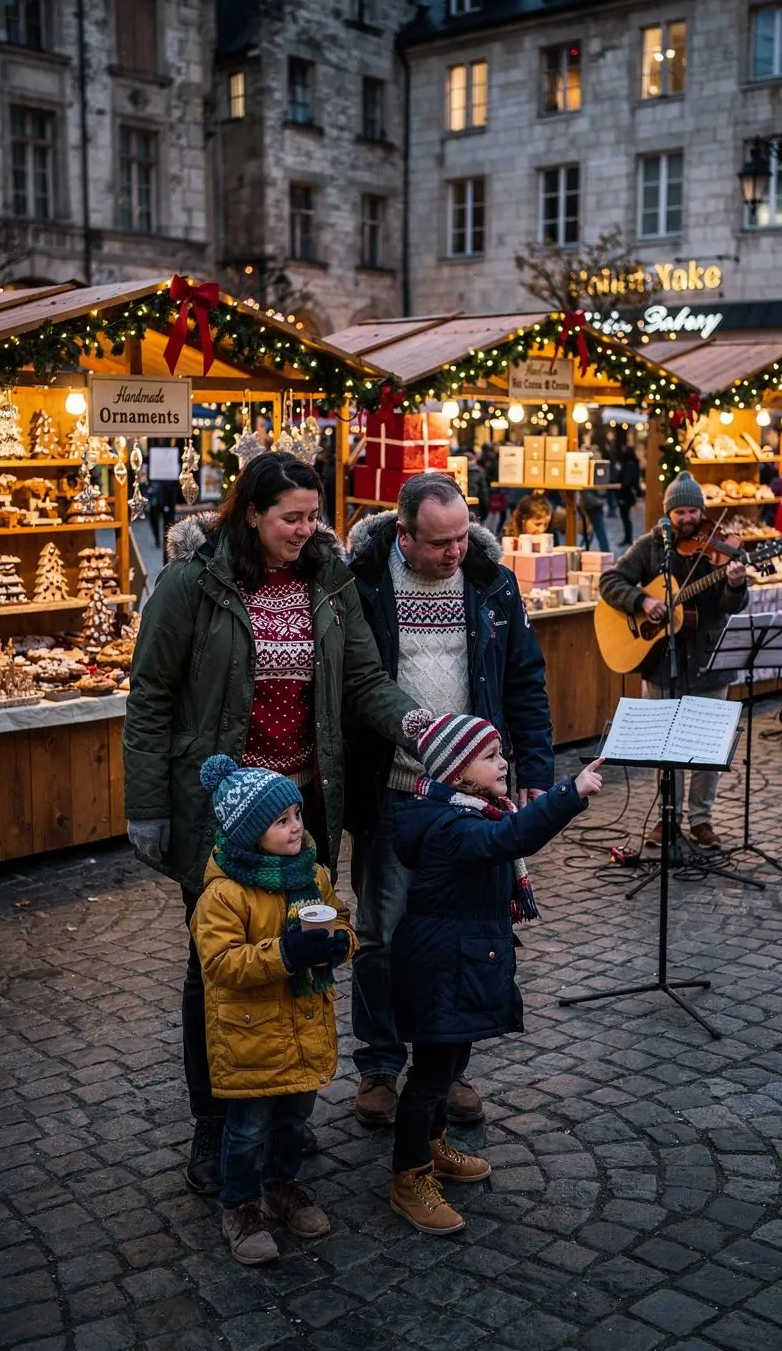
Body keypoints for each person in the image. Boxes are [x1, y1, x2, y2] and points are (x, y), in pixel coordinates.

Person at [123, 452, 421, 1195]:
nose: (306, 528)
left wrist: (421, 726)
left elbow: (362, 679)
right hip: (221, 816)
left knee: (302, 958)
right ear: (250, 514)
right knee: (217, 970)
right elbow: (151, 697)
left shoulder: (329, 580)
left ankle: (283, 1117)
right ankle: (214, 1125)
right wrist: (147, 806)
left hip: (303, 809)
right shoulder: (193, 584)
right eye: (291, 516)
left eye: (313, 514)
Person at [345, 474, 555, 1129]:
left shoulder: (491, 580)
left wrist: (536, 769)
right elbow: (355, 683)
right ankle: (381, 1065)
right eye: (440, 543)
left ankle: (445, 1069)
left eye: (463, 536)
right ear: (403, 533)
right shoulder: (364, 583)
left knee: (457, 931)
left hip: (467, 795)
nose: (455, 552)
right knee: (380, 934)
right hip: (391, 788)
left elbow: (524, 676)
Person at [389, 714, 604, 1234]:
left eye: (500, 752)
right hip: (440, 966)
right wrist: (569, 793)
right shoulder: (452, 827)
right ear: (458, 770)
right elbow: (514, 838)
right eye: (489, 756)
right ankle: (408, 1175)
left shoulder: (473, 811)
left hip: (460, 960)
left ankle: (434, 1146)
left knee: (452, 1059)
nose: (503, 761)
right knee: (430, 1075)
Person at [191, 757, 357, 1266]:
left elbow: (343, 922)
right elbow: (219, 964)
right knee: (246, 1131)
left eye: (297, 815)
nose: (296, 827)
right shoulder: (223, 895)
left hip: (306, 1023)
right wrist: (285, 954)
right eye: (281, 820)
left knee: (294, 1121)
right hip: (251, 1038)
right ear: (248, 832)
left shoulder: (314, 875)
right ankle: (239, 1205)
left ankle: (281, 1186)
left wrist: (338, 946)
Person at [598, 470, 748, 850]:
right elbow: (610, 582)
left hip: (711, 661)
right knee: (666, 747)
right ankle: (668, 819)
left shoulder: (720, 551)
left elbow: (733, 606)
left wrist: (734, 583)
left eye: (692, 512)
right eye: (679, 512)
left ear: (702, 512)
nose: (687, 519)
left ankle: (702, 820)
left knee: (709, 747)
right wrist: (643, 601)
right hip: (662, 663)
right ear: (669, 514)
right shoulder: (651, 546)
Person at [616, 445, 642, 548]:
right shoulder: (630, 463)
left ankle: (628, 538)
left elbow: (628, 480)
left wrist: (622, 486)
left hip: (626, 494)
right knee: (625, 517)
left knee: (626, 517)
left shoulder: (630, 464)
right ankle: (627, 538)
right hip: (625, 493)